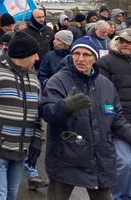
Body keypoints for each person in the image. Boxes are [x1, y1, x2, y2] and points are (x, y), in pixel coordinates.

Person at [40, 37, 131, 200]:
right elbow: (46, 112)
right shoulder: (58, 80)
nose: (80, 59)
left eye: (86, 54)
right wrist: (65, 106)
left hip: (99, 158)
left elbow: (116, 119)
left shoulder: (105, 85)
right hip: (65, 157)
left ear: (95, 58)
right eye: (76, 53)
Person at [0, 31, 44, 200]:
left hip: (21, 150)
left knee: (11, 194)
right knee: (0, 196)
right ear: (22, 55)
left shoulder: (32, 75)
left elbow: (36, 111)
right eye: (34, 54)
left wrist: (37, 139)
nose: (37, 59)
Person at [97, 29, 131, 200]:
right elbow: (104, 97)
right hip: (118, 123)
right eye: (122, 41)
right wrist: (111, 119)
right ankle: (120, 197)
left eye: (129, 42)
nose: (125, 44)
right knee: (125, 164)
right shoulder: (106, 62)